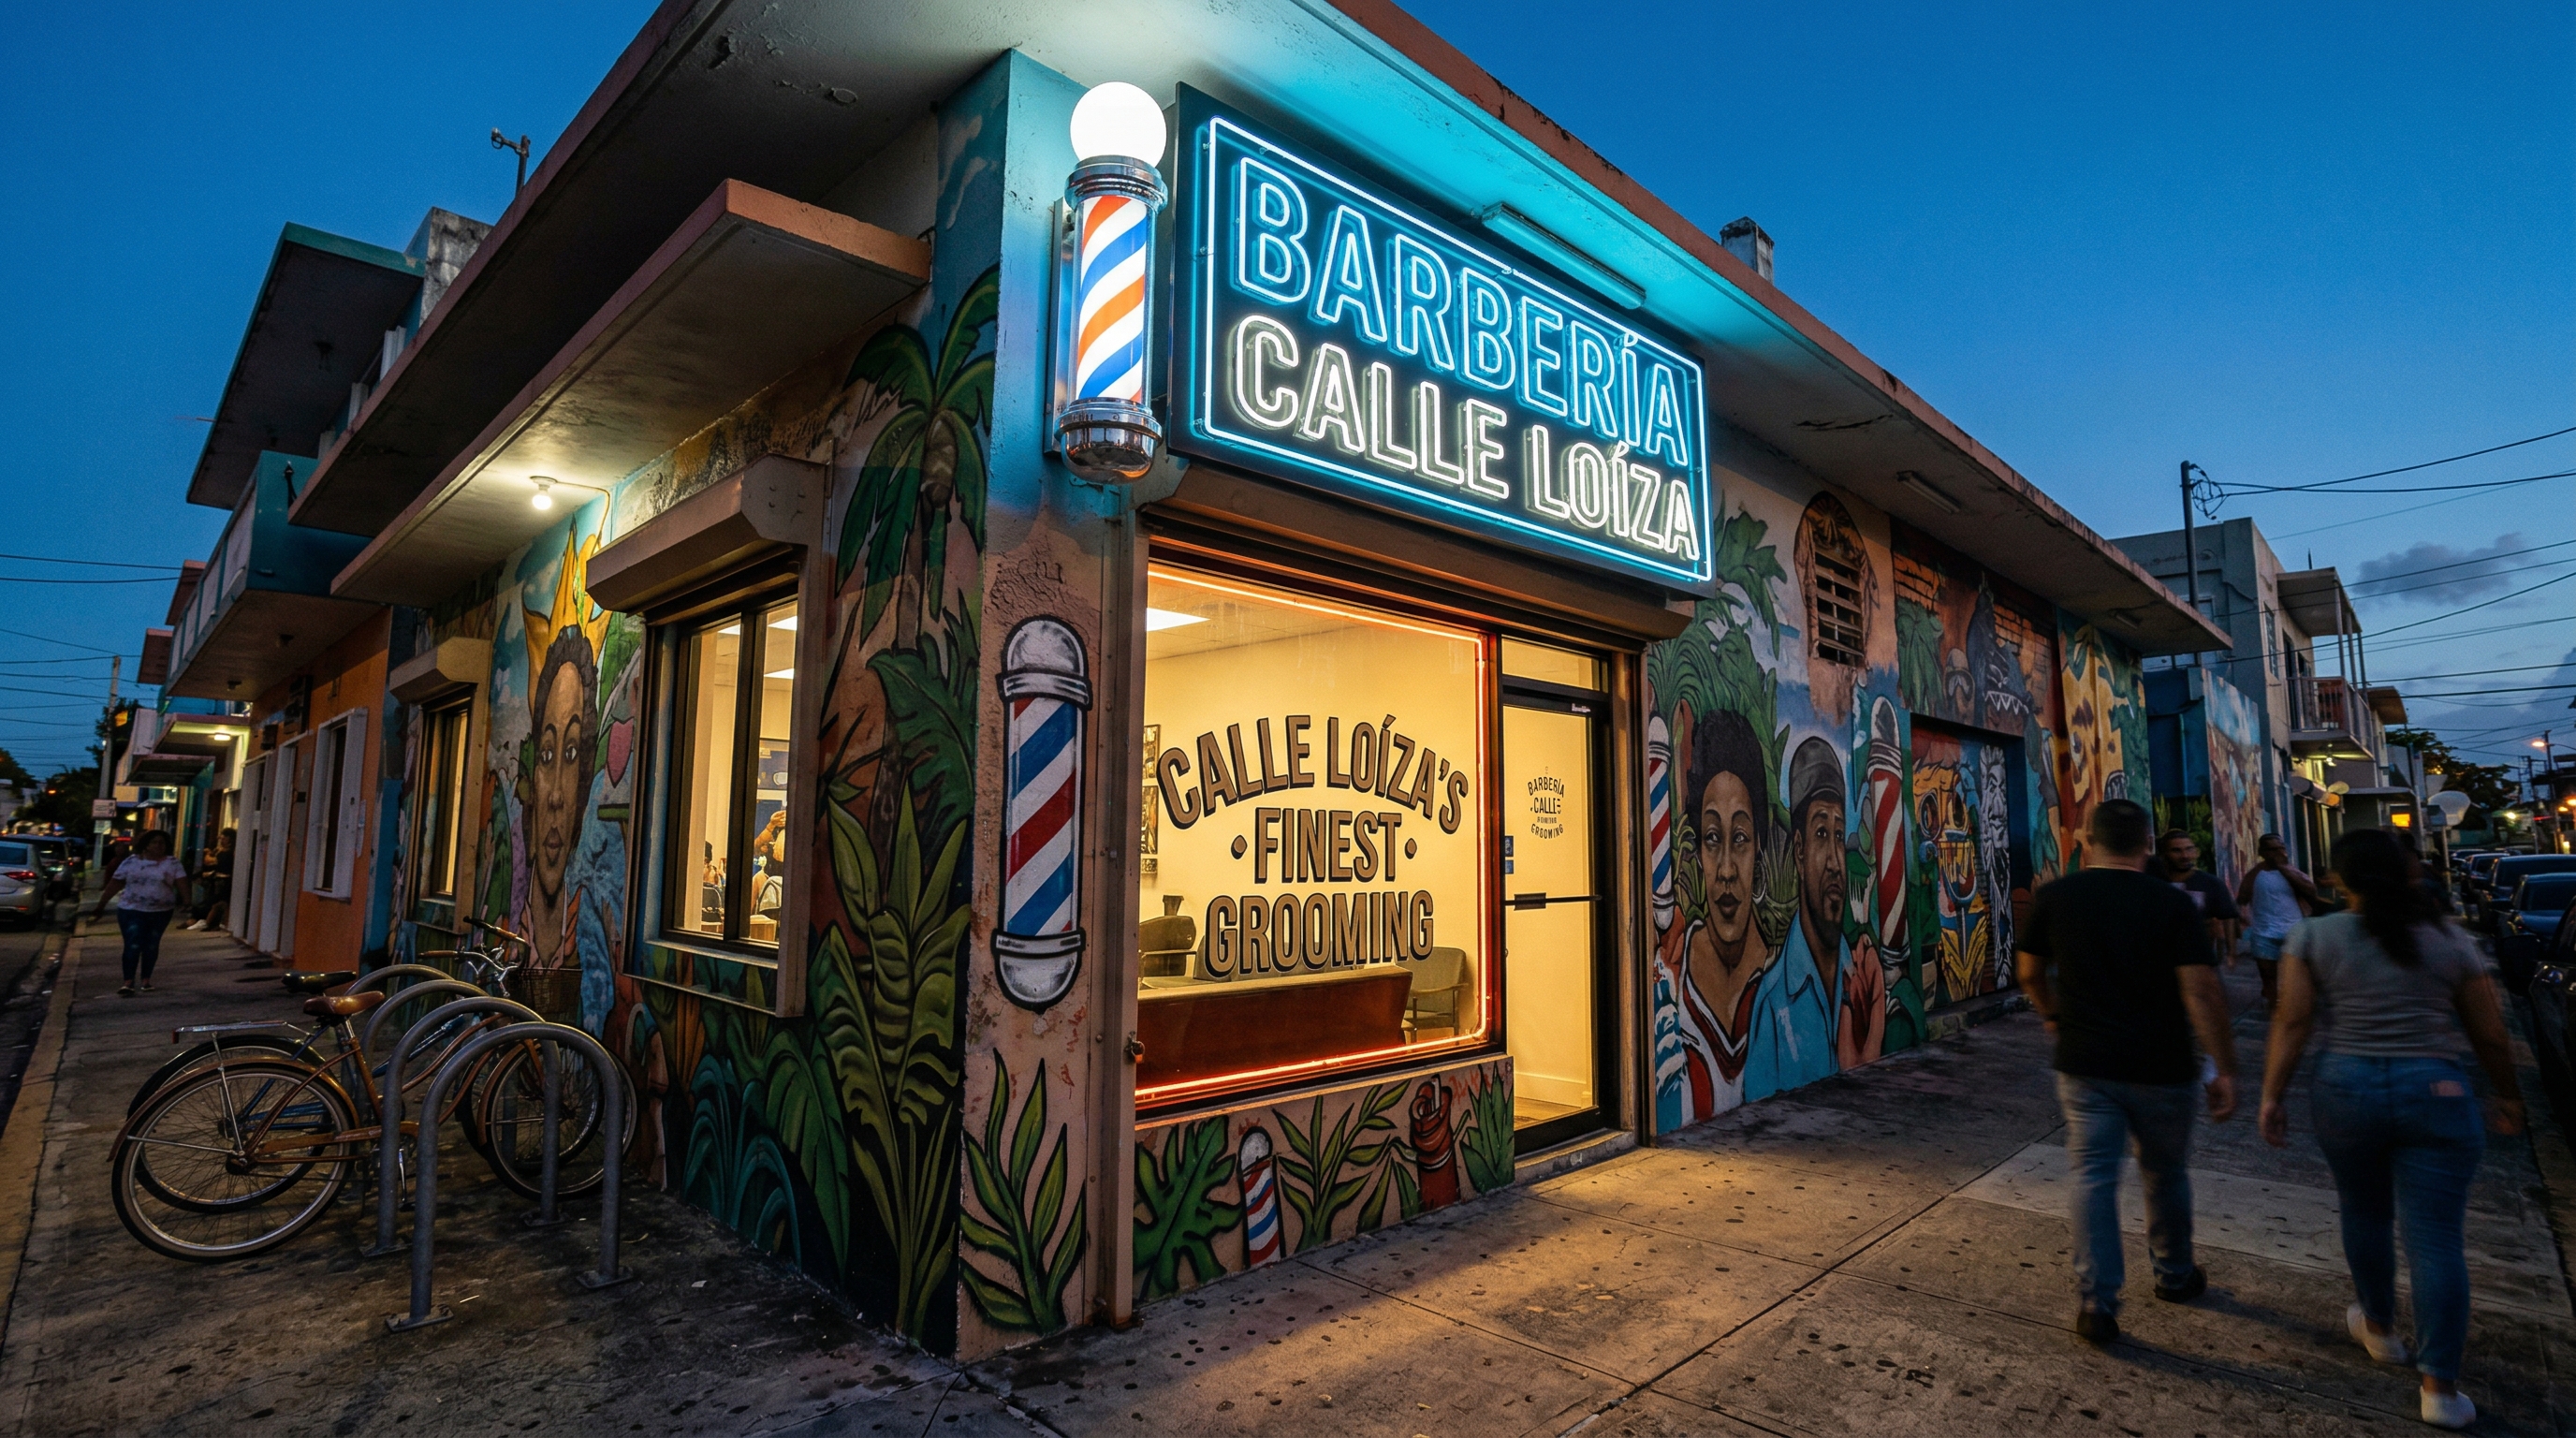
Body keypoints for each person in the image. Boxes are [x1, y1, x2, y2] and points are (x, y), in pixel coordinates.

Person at [2257, 828, 2524, 1431]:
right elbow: (2489, 1033)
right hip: (2437, 1091)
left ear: (2337, 879)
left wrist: (2272, 1095)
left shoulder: (2312, 935)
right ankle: (2440, 1389)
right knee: (2436, 1240)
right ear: (2406, 873)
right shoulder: (2449, 940)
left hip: (2346, 1088)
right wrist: (2506, 1093)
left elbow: (2292, 1022)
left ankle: (2379, 1327)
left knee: (2365, 1211)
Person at [2015, 798, 2238, 1345]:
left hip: (2086, 1064)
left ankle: (2097, 1302)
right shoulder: (2172, 903)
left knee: (2092, 1176)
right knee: (2164, 1174)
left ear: (2085, 842)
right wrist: (2224, 1068)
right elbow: (2202, 992)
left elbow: (2029, 972)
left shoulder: (2055, 897)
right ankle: (2174, 1275)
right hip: (2164, 1068)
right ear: (2147, 845)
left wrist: (2051, 1016)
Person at [1743, 738, 1884, 1099]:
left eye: (1839, 835)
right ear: (1799, 850)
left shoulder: (1862, 980)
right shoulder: (1773, 1005)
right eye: (1822, 834)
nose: (1837, 861)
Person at [91, 829, 190, 998]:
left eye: (162, 843)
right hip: (131, 909)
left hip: (160, 911)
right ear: (145, 845)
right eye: (155, 843)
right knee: (133, 943)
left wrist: (188, 902)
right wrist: (101, 906)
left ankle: (146, 980)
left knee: (151, 945)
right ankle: (128, 982)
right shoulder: (131, 862)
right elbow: (115, 884)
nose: (159, 846)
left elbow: (182, 883)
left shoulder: (171, 863)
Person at [2236, 833, 2317, 1008]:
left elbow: (2311, 891)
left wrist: (2283, 868)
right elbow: (2241, 899)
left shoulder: (2293, 872)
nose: (2278, 852)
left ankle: (2298, 1006)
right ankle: (2275, 1010)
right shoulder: (2254, 875)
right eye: (2272, 849)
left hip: (2294, 932)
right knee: (2269, 977)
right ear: (2262, 852)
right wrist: (2241, 920)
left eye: (2281, 848)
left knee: (2298, 975)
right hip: (2264, 935)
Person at [2159, 829, 2241, 964]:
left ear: (2196, 852)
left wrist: (2231, 951)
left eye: (2189, 849)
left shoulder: (2211, 884)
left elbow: (2227, 916)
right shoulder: (2156, 883)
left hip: (2200, 959)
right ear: (2164, 854)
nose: (2185, 855)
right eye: (2176, 850)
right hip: (2162, 959)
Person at [185, 828, 237, 932]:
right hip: (217, 879)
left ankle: (205, 922)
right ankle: (199, 920)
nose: (221, 840)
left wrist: (208, 853)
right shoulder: (221, 850)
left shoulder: (229, 852)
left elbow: (211, 861)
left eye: (223, 838)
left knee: (212, 902)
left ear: (229, 839)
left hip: (223, 881)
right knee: (210, 901)